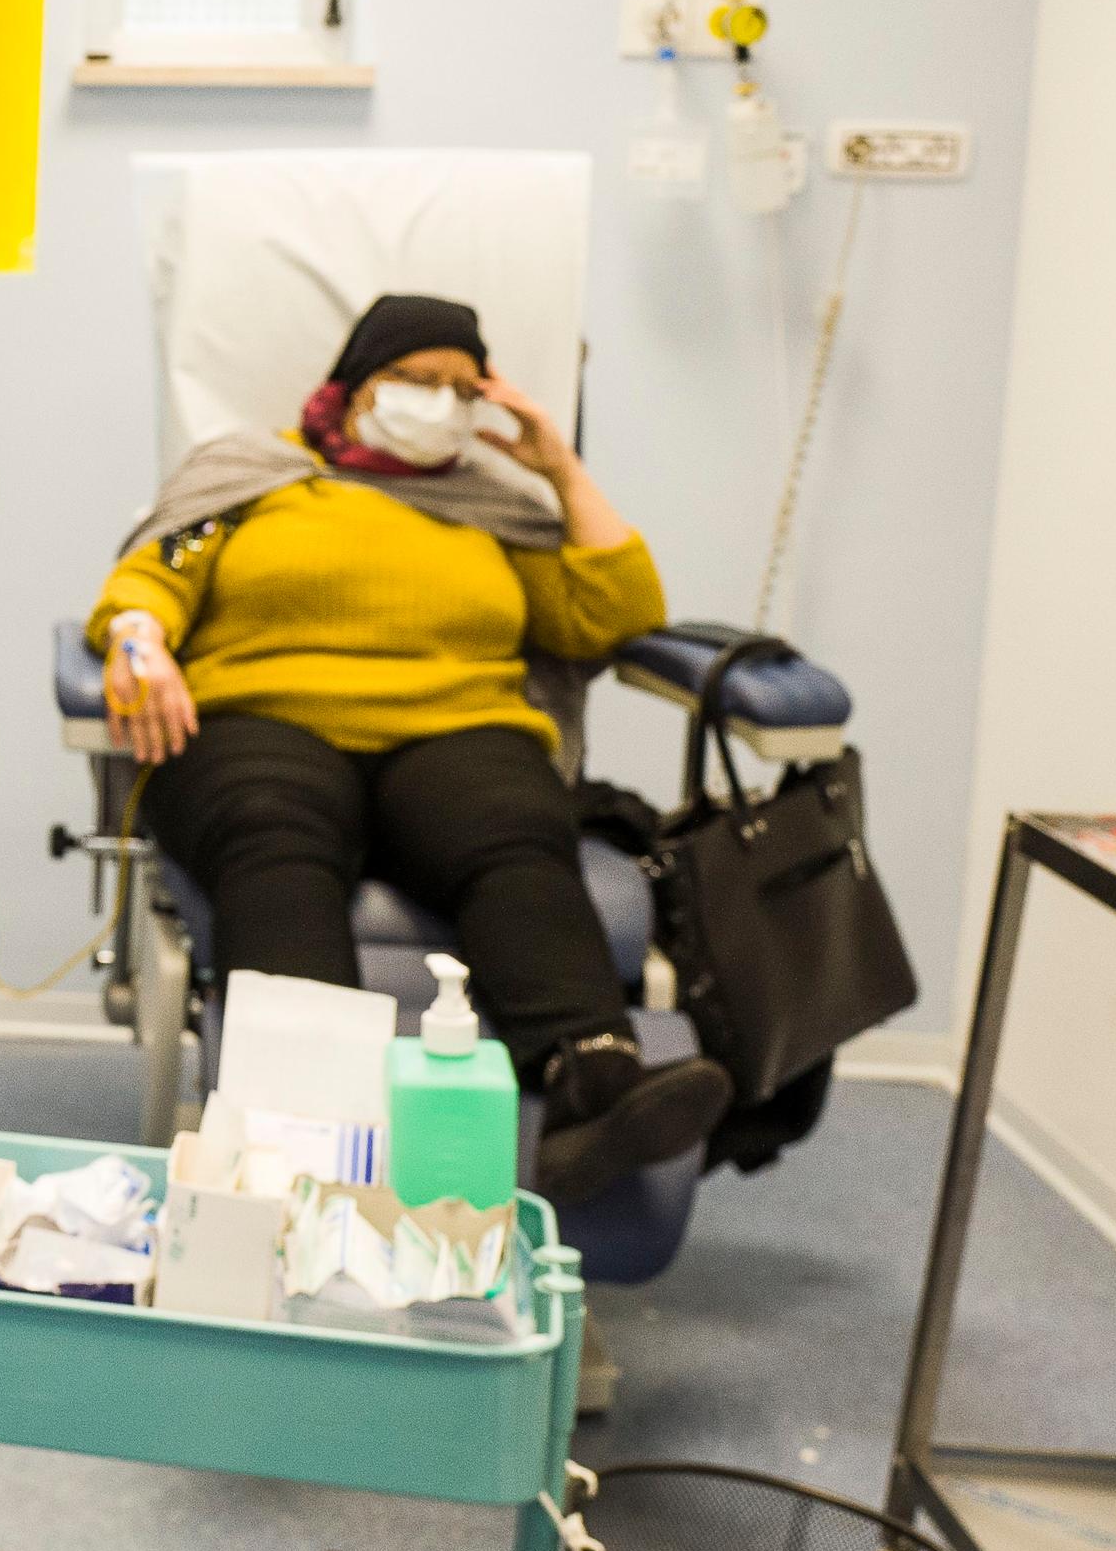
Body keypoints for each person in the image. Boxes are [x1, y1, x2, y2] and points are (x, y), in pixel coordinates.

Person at [87, 293, 733, 1203]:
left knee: (513, 828)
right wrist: (140, 640)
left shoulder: (495, 509)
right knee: (274, 834)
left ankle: (595, 1086)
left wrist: (561, 469)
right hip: (264, 721)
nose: (438, 401)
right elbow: (155, 576)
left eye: (462, 388)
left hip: (456, 731)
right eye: (414, 379)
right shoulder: (250, 480)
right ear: (353, 388)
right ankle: (305, 1132)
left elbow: (614, 618)